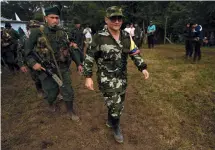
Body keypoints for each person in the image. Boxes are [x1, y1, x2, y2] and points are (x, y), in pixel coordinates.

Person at [84, 6, 149, 143]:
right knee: (116, 105)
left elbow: (134, 52)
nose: (117, 21)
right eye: (113, 18)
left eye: (119, 18)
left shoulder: (126, 36)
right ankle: (116, 127)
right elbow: (90, 57)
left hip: (122, 77)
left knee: (118, 101)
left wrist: (142, 67)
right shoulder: (99, 37)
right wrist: (88, 76)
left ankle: (110, 119)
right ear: (106, 20)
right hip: (106, 78)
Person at [25, 6, 82, 121]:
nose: (55, 20)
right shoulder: (37, 32)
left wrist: (79, 63)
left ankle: (70, 111)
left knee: (67, 89)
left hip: (62, 68)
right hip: (46, 69)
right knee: (51, 92)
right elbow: (27, 52)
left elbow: (70, 48)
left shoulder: (62, 32)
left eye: (57, 18)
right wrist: (33, 63)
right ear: (46, 18)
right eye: (52, 17)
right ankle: (51, 103)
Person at [17, 20, 44, 98]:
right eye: (33, 27)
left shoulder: (42, 37)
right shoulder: (24, 38)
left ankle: (52, 91)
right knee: (36, 78)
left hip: (43, 60)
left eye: (37, 27)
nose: (35, 29)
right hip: (31, 62)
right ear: (28, 28)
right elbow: (19, 52)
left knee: (48, 76)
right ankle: (39, 89)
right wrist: (21, 64)